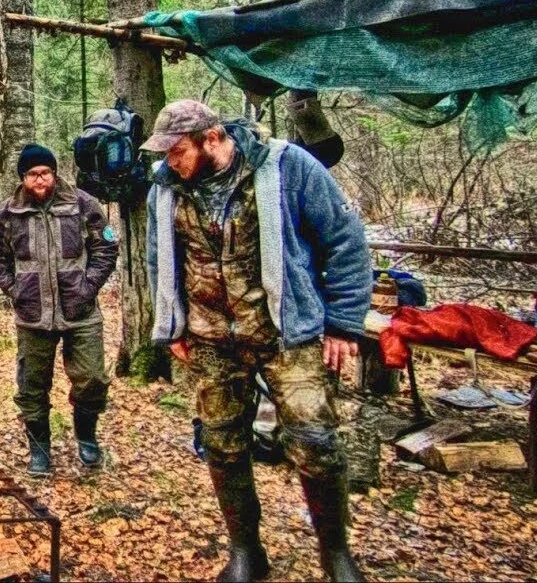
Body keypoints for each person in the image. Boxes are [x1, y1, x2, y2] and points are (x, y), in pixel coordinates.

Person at [143, 100, 371, 583]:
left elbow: (345, 239)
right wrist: (173, 324)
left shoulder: (287, 167)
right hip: (210, 338)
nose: (169, 162)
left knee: (315, 441)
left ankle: (336, 554)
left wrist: (345, 322)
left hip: (286, 333)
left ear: (212, 139)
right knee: (223, 443)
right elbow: (158, 259)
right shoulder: (164, 188)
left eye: (177, 151)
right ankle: (246, 551)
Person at [0, 144, 118, 476]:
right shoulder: (8, 212)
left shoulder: (82, 203)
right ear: (23, 178)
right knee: (31, 386)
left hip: (81, 311)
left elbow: (106, 245)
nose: (40, 179)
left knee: (91, 379)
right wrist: (15, 289)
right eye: (32, 174)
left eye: (45, 172)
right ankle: (39, 451)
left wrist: (88, 286)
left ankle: (87, 438)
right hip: (33, 315)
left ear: (54, 173)